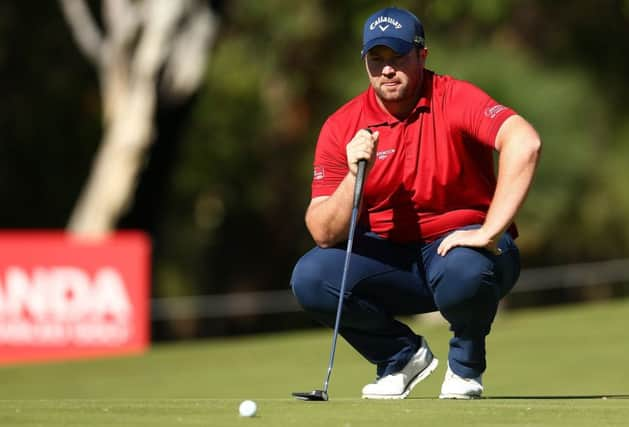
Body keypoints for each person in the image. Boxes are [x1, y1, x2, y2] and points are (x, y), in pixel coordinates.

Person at [290, 7, 541, 400]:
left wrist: (490, 231)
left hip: (469, 255)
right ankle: (400, 358)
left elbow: (525, 142)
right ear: (366, 64)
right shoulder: (343, 125)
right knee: (310, 277)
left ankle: (464, 368)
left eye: (398, 58)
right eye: (377, 60)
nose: (387, 70)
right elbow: (324, 231)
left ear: (422, 56)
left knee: (465, 269)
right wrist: (356, 175)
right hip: (393, 265)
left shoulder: (454, 97)